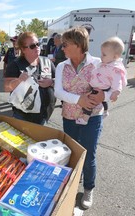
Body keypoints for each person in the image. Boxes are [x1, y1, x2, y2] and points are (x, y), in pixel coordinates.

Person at [54, 26, 106, 209]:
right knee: (73, 152)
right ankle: (74, 182)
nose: (62, 48)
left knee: (89, 153)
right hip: (69, 117)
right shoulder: (62, 65)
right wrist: (79, 100)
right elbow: (58, 92)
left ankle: (88, 189)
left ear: (77, 45)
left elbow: (112, 86)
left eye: (65, 44)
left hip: (92, 117)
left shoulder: (98, 63)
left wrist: (104, 96)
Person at [4, 32, 56, 125]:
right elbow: (7, 87)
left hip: (44, 115)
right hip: (23, 115)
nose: (37, 47)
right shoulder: (15, 65)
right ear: (23, 50)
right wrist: (18, 81)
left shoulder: (47, 62)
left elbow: (59, 83)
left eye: (38, 44)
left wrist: (51, 82)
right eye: (32, 46)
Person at [76, 36, 127, 125]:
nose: (101, 56)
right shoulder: (105, 63)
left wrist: (116, 92)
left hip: (101, 88)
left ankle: (85, 118)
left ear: (115, 56)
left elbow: (117, 82)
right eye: (101, 53)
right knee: (102, 101)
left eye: (104, 55)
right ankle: (105, 112)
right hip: (97, 86)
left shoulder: (115, 69)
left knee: (90, 101)